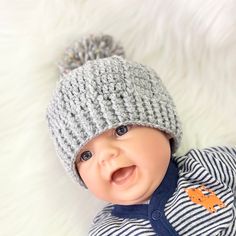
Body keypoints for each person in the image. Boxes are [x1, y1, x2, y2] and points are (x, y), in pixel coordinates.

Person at [46, 34, 236, 236]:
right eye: (86, 155)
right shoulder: (105, 231)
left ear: (162, 128)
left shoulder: (209, 166)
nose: (105, 155)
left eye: (120, 130)